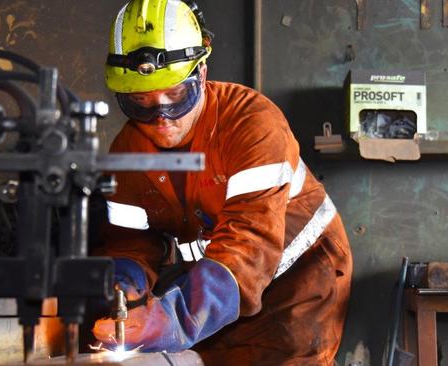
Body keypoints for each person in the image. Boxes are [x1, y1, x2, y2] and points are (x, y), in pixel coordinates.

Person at [92, 1, 352, 364]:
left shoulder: (252, 124)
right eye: (141, 103)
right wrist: (127, 292)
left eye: (176, 96)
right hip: (214, 291)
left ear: (201, 73)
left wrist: (175, 318)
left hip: (298, 283)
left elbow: (249, 242)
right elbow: (131, 240)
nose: (161, 117)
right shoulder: (127, 150)